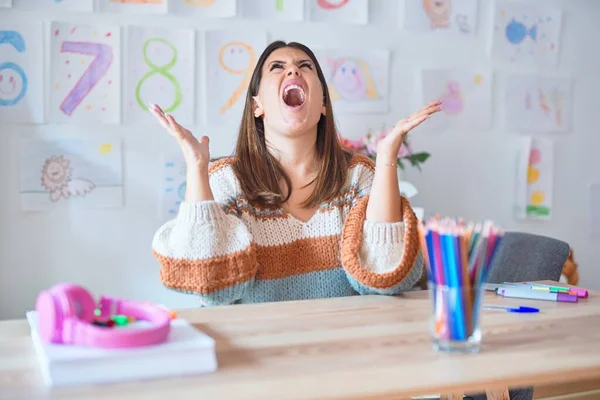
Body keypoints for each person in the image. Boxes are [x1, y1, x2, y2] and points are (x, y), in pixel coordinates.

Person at [149, 40, 441, 306]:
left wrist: (388, 156)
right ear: (257, 106)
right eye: (278, 67)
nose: (293, 72)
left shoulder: (358, 177)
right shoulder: (227, 180)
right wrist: (197, 171)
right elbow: (209, 286)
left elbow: (386, 280)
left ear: (323, 104)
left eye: (305, 66)